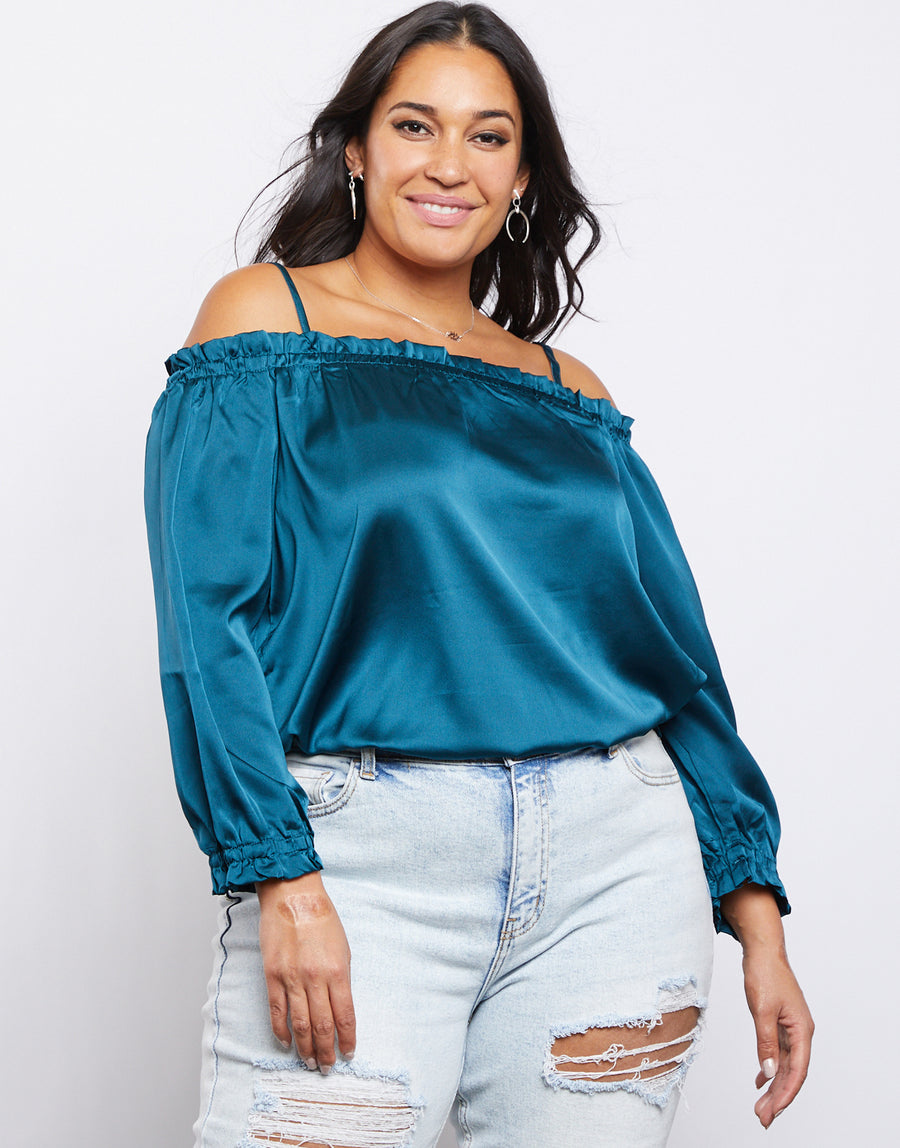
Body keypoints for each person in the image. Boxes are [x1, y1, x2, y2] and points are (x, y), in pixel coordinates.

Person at [145, 4, 813, 1145]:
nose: (450, 163)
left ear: (522, 177)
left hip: (616, 863)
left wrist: (754, 908)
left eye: (489, 136)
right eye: (416, 125)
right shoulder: (264, 321)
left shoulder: (569, 389)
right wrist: (278, 871)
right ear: (357, 151)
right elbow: (208, 619)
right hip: (363, 857)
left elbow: (672, 659)